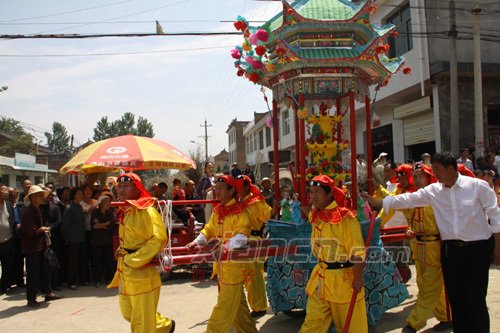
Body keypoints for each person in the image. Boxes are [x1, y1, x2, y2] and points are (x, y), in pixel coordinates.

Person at [364, 152, 500, 333]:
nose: (435, 174)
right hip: (450, 251)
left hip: (477, 250)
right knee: (457, 299)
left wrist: (498, 248)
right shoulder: (433, 191)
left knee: (475, 299)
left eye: (437, 169)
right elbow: (407, 199)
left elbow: (495, 216)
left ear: (451, 168)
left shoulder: (478, 187)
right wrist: (379, 202)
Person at [186, 175, 257, 333]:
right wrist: (196, 242)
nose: (216, 191)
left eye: (220, 189)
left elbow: (242, 236)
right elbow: (209, 229)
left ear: (231, 190)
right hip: (223, 266)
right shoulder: (219, 210)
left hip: (235, 268)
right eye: (215, 188)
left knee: (223, 309)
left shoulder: (240, 211)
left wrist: (224, 248)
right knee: (239, 310)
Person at [299, 175, 367, 333]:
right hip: (321, 280)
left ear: (329, 194)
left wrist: (358, 277)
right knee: (312, 324)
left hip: (344, 281)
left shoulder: (345, 218)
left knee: (352, 328)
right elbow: (309, 212)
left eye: (317, 192)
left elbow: (357, 251)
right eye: (311, 192)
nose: (313, 196)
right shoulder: (316, 214)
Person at [107, 173, 174, 333]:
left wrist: (134, 259)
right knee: (128, 313)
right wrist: (123, 249)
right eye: (119, 186)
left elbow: (159, 238)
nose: (121, 190)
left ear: (137, 189)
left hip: (141, 273)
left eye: (126, 186)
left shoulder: (146, 211)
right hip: (126, 271)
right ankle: (165, 326)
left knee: (141, 323)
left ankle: (161, 326)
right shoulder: (127, 210)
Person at [402, 163, 452, 333]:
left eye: (420, 176)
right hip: (419, 248)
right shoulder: (415, 197)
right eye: (414, 176)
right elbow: (409, 218)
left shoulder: (438, 197)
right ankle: (446, 318)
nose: (417, 180)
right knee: (426, 285)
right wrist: (410, 229)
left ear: (429, 177)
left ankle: (413, 323)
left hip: (435, 247)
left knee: (429, 288)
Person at [235, 174, 271, 318]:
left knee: (254, 277)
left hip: (254, 240)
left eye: (239, 185)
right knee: (249, 277)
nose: (237, 188)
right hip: (243, 241)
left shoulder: (255, 201)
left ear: (246, 186)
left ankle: (260, 306)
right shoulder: (240, 201)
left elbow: (268, 215)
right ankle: (256, 305)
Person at [20, 185, 61, 308]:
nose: (41, 197)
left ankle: (47, 292)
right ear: (32, 198)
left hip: (41, 245)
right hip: (32, 247)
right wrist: (41, 230)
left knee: (45, 270)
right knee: (33, 273)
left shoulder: (38, 209)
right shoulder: (28, 212)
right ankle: (31, 298)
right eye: (38, 195)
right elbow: (29, 232)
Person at [62, 187, 89, 289]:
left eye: (81, 194)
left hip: (81, 237)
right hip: (73, 238)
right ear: (73, 195)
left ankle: (82, 279)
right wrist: (66, 237)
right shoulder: (69, 208)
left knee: (82, 259)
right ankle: (71, 282)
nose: (80, 196)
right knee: (72, 261)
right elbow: (65, 225)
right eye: (78, 194)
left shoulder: (79, 207)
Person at [40, 188, 63, 290]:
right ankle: (44, 286)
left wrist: (50, 228)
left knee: (54, 262)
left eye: (51, 195)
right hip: (41, 238)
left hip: (54, 238)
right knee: (43, 263)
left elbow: (58, 221)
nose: (49, 197)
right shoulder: (38, 208)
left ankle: (55, 284)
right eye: (47, 195)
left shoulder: (55, 208)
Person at [91, 195, 115, 287]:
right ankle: (97, 279)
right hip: (97, 240)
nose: (108, 204)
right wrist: (105, 224)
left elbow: (111, 225)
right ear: (101, 203)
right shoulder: (95, 212)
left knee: (108, 260)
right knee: (97, 261)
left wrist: (101, 224)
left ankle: (109, 278)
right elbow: (94, 226)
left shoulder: (109, 213)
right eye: (106, 202)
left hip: (107, 240)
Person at [0, 184, 16, 294]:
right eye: (4, 190)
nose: (7, 192)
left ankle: (4, 286)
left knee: (7, 266)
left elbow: (12, 220)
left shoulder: (9, 205)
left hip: (8, 240)